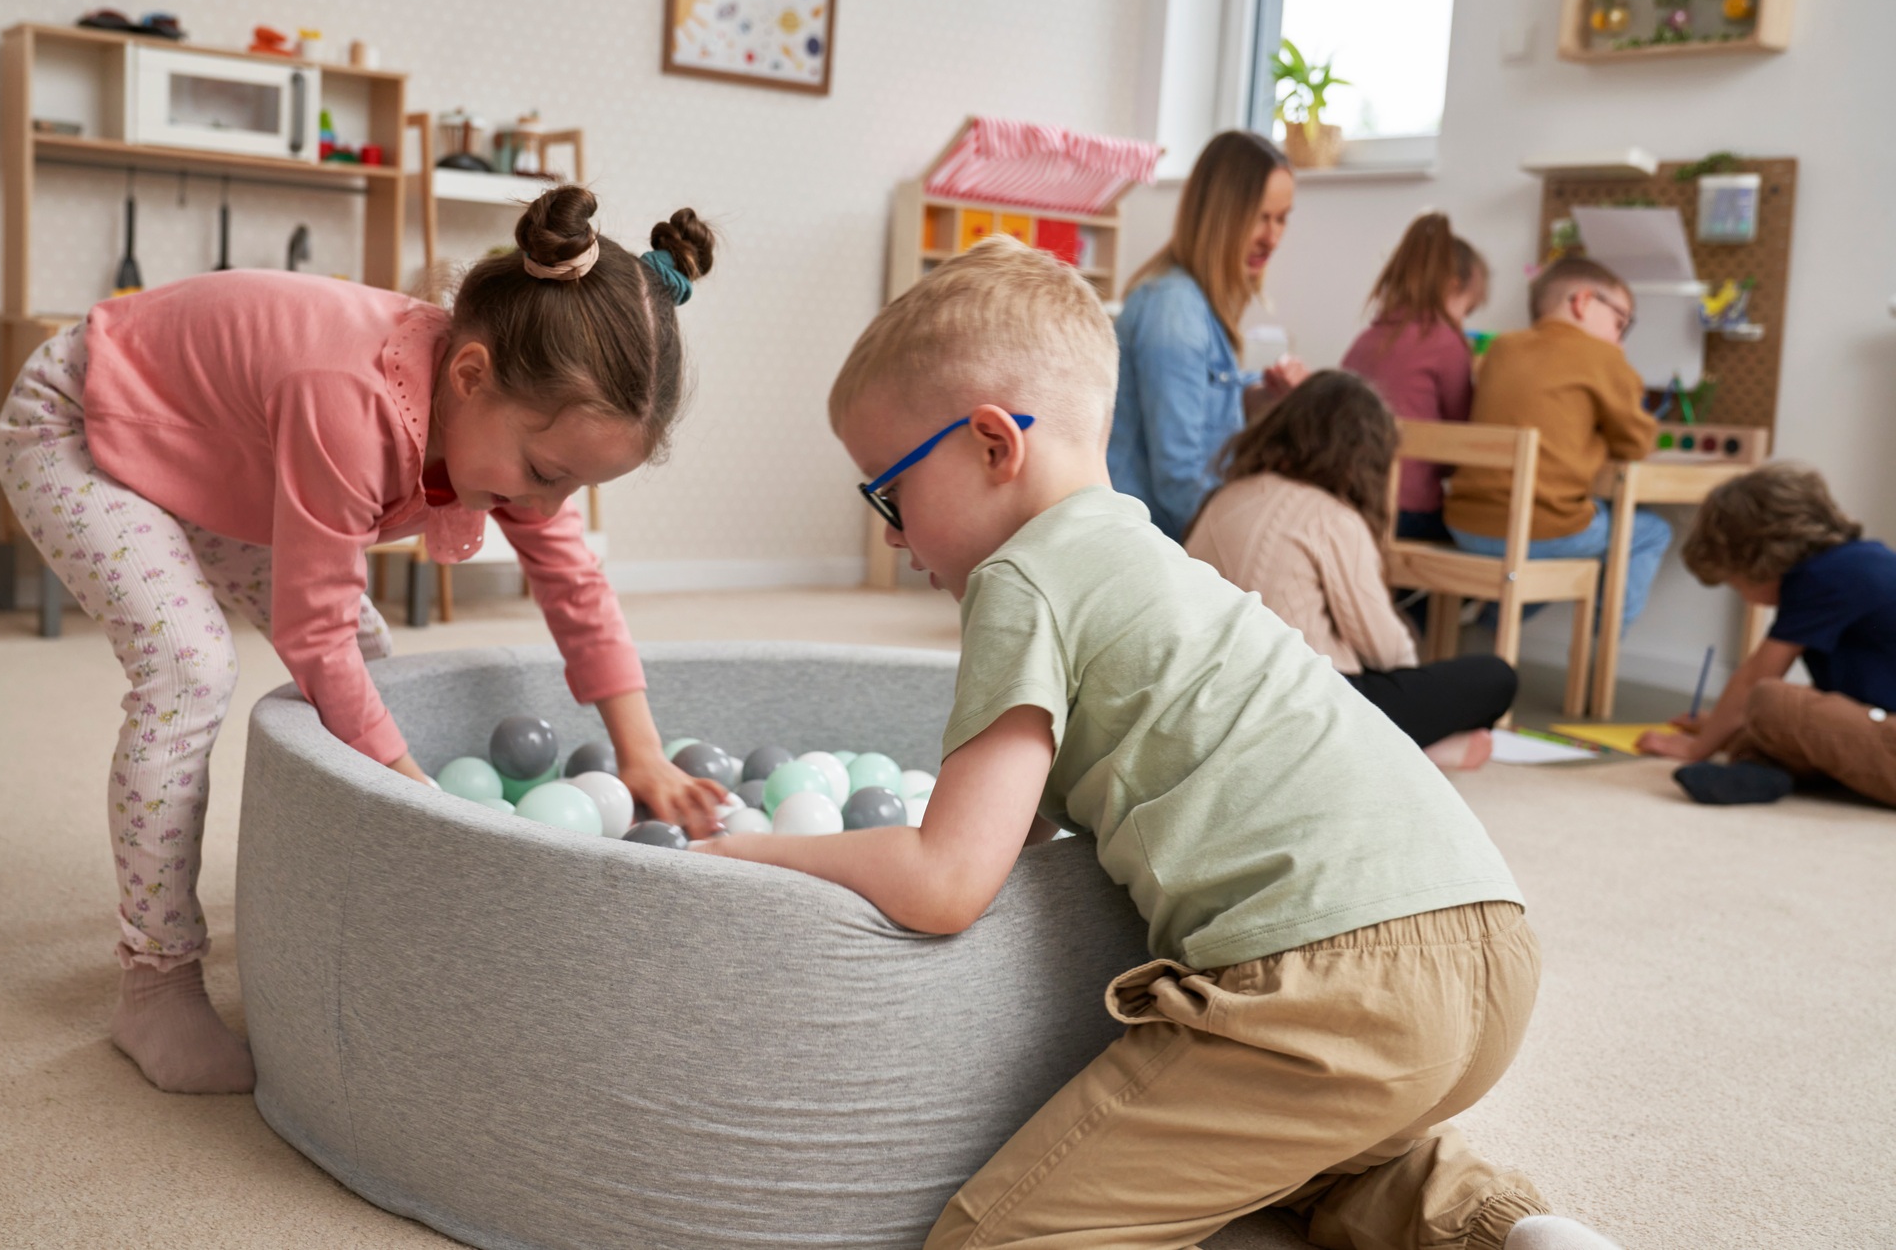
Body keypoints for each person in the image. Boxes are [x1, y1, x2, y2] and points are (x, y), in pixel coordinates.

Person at [696, 237, 1620, 1250]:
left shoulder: (1021, 578)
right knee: (1316, 1156)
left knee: (993, 1239)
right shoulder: (1152, 560)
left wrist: (751, 850)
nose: (889, 532)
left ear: (993, 445)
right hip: (1482, 945)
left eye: (888, 492)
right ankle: (1506, 1231)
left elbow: (946, 877)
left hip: (1328, 980)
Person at [0, 187, 729, 1095]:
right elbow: (313, 630)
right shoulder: (346, 396)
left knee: (372, 672)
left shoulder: (515, 415)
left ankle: (335, 883)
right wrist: (423, 801)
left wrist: (642, 750)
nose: (543, 507)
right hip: (81, 421)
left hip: (217, 454)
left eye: (570, 487)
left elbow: (573, 582)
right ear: (467, 376)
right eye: (543, 474)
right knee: (191, 666)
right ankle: (156, 979)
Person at [1187, 370, 1516, 769]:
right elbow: (1386, 650)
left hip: (1215, 703)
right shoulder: (1330, 516)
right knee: (1496, 677)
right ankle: (1415, 753)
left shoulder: (1224, 498)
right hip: (1305, 709)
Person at [1640, 464, 1896, 808]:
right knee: (1783, 713)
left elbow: (1756, 678)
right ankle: (1760, 772)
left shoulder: (1826, 577)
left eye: (1737, 582)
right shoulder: (1856, 563)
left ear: (1760, 557)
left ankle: (1760, 765)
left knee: (1770, 701)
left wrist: (1695, 749)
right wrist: (1718, 724)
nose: (1743, 595)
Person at [1443, 256, 1666, 633]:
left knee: (1560, 529)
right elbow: (1637, 444)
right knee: (1651, 531)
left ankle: (1492, 629)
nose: (1619, 339)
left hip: (1466, 525)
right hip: (1540, 532)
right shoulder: (1603, 356)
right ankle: (1604, 644)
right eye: (1620, 323)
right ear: (1582, 302)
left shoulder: (1500, 348)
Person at [1107, 130, 1307, 540]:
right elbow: (1178, 481)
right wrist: (1252, 539)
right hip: (1145, 539)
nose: (1272, 238)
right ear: (1222, 215)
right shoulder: (1175, 311)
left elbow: (1202, 399)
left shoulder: (1196, 304)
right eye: (1259, 217)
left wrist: (1257, 395)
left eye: (1281, 218)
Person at [1342, 211, 1490, 542]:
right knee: (1477, 542)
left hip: (1350, 503)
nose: (1463, 322)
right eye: (1467, 310)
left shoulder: (1366, 339)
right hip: (1408, 513)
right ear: (1452, 288)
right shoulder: (1446, 343)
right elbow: (1460, 443)